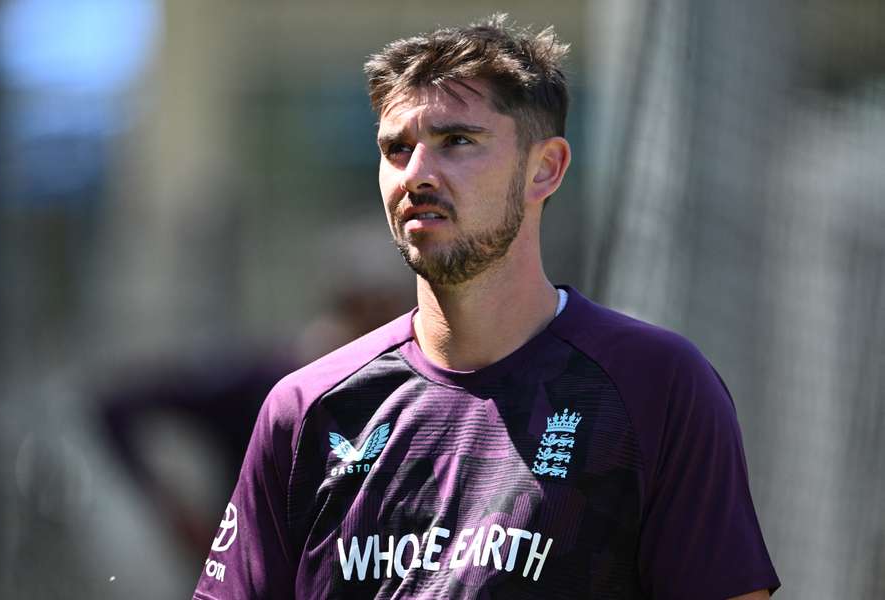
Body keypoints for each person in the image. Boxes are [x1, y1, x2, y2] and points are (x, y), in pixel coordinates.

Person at [193, 14, 780, 600]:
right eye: (397, 149)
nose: (416, 175)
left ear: (544, 169)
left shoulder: (655, 385)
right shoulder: (307, 409)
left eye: (457, 141)